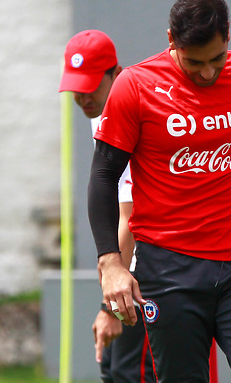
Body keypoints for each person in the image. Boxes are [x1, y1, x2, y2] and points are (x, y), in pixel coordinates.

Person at [88, 0, 231, 382]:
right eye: (195, 63)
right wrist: (110, 263)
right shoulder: (136, 87)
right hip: (168, 270)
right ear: (171, 40)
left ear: (228, 36)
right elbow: (104, 176)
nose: (208, 73)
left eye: (217, 59)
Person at [59, 30, 155, 382]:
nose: (82, 97)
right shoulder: (100, 111)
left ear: (115, 74)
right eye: (75, 88)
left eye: (90, 86)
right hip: (131, 268)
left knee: (132, 373)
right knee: (114, 370)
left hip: (151, 269)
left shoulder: (127, 113)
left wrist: (109, 308)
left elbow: (130, 217)